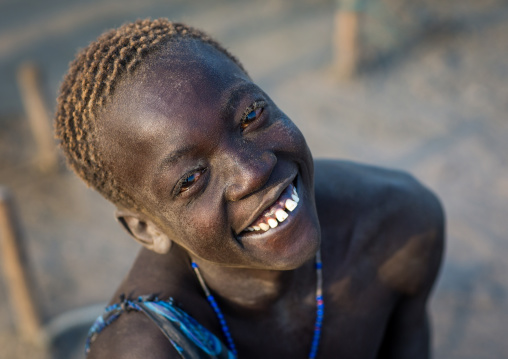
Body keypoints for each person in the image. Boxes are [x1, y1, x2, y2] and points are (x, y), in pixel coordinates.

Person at [54, 19, 444, 359]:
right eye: (191, 179)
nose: (254, 171)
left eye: (252, 116)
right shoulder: (145, 348)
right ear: (146, 229)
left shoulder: (400, 228)